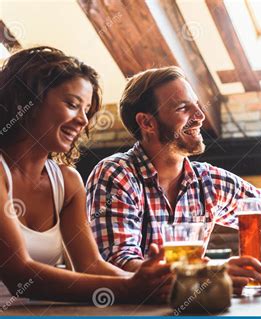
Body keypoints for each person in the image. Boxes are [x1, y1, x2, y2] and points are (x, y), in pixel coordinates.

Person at [85, 66, 261, 295]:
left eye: (197, 105)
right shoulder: (116, 174)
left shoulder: (208, 181)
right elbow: (119, 264)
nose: (200, 116)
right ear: (147, 123)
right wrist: (213, 275)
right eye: (183, 108)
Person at [0, 46, 171, 304]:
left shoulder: (67, 182)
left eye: (86, 111)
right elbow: (19, 275)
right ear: (28, 101)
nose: (83, 121)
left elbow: (91, 265)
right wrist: (130, 289)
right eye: (72, 104)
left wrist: (155, 283)